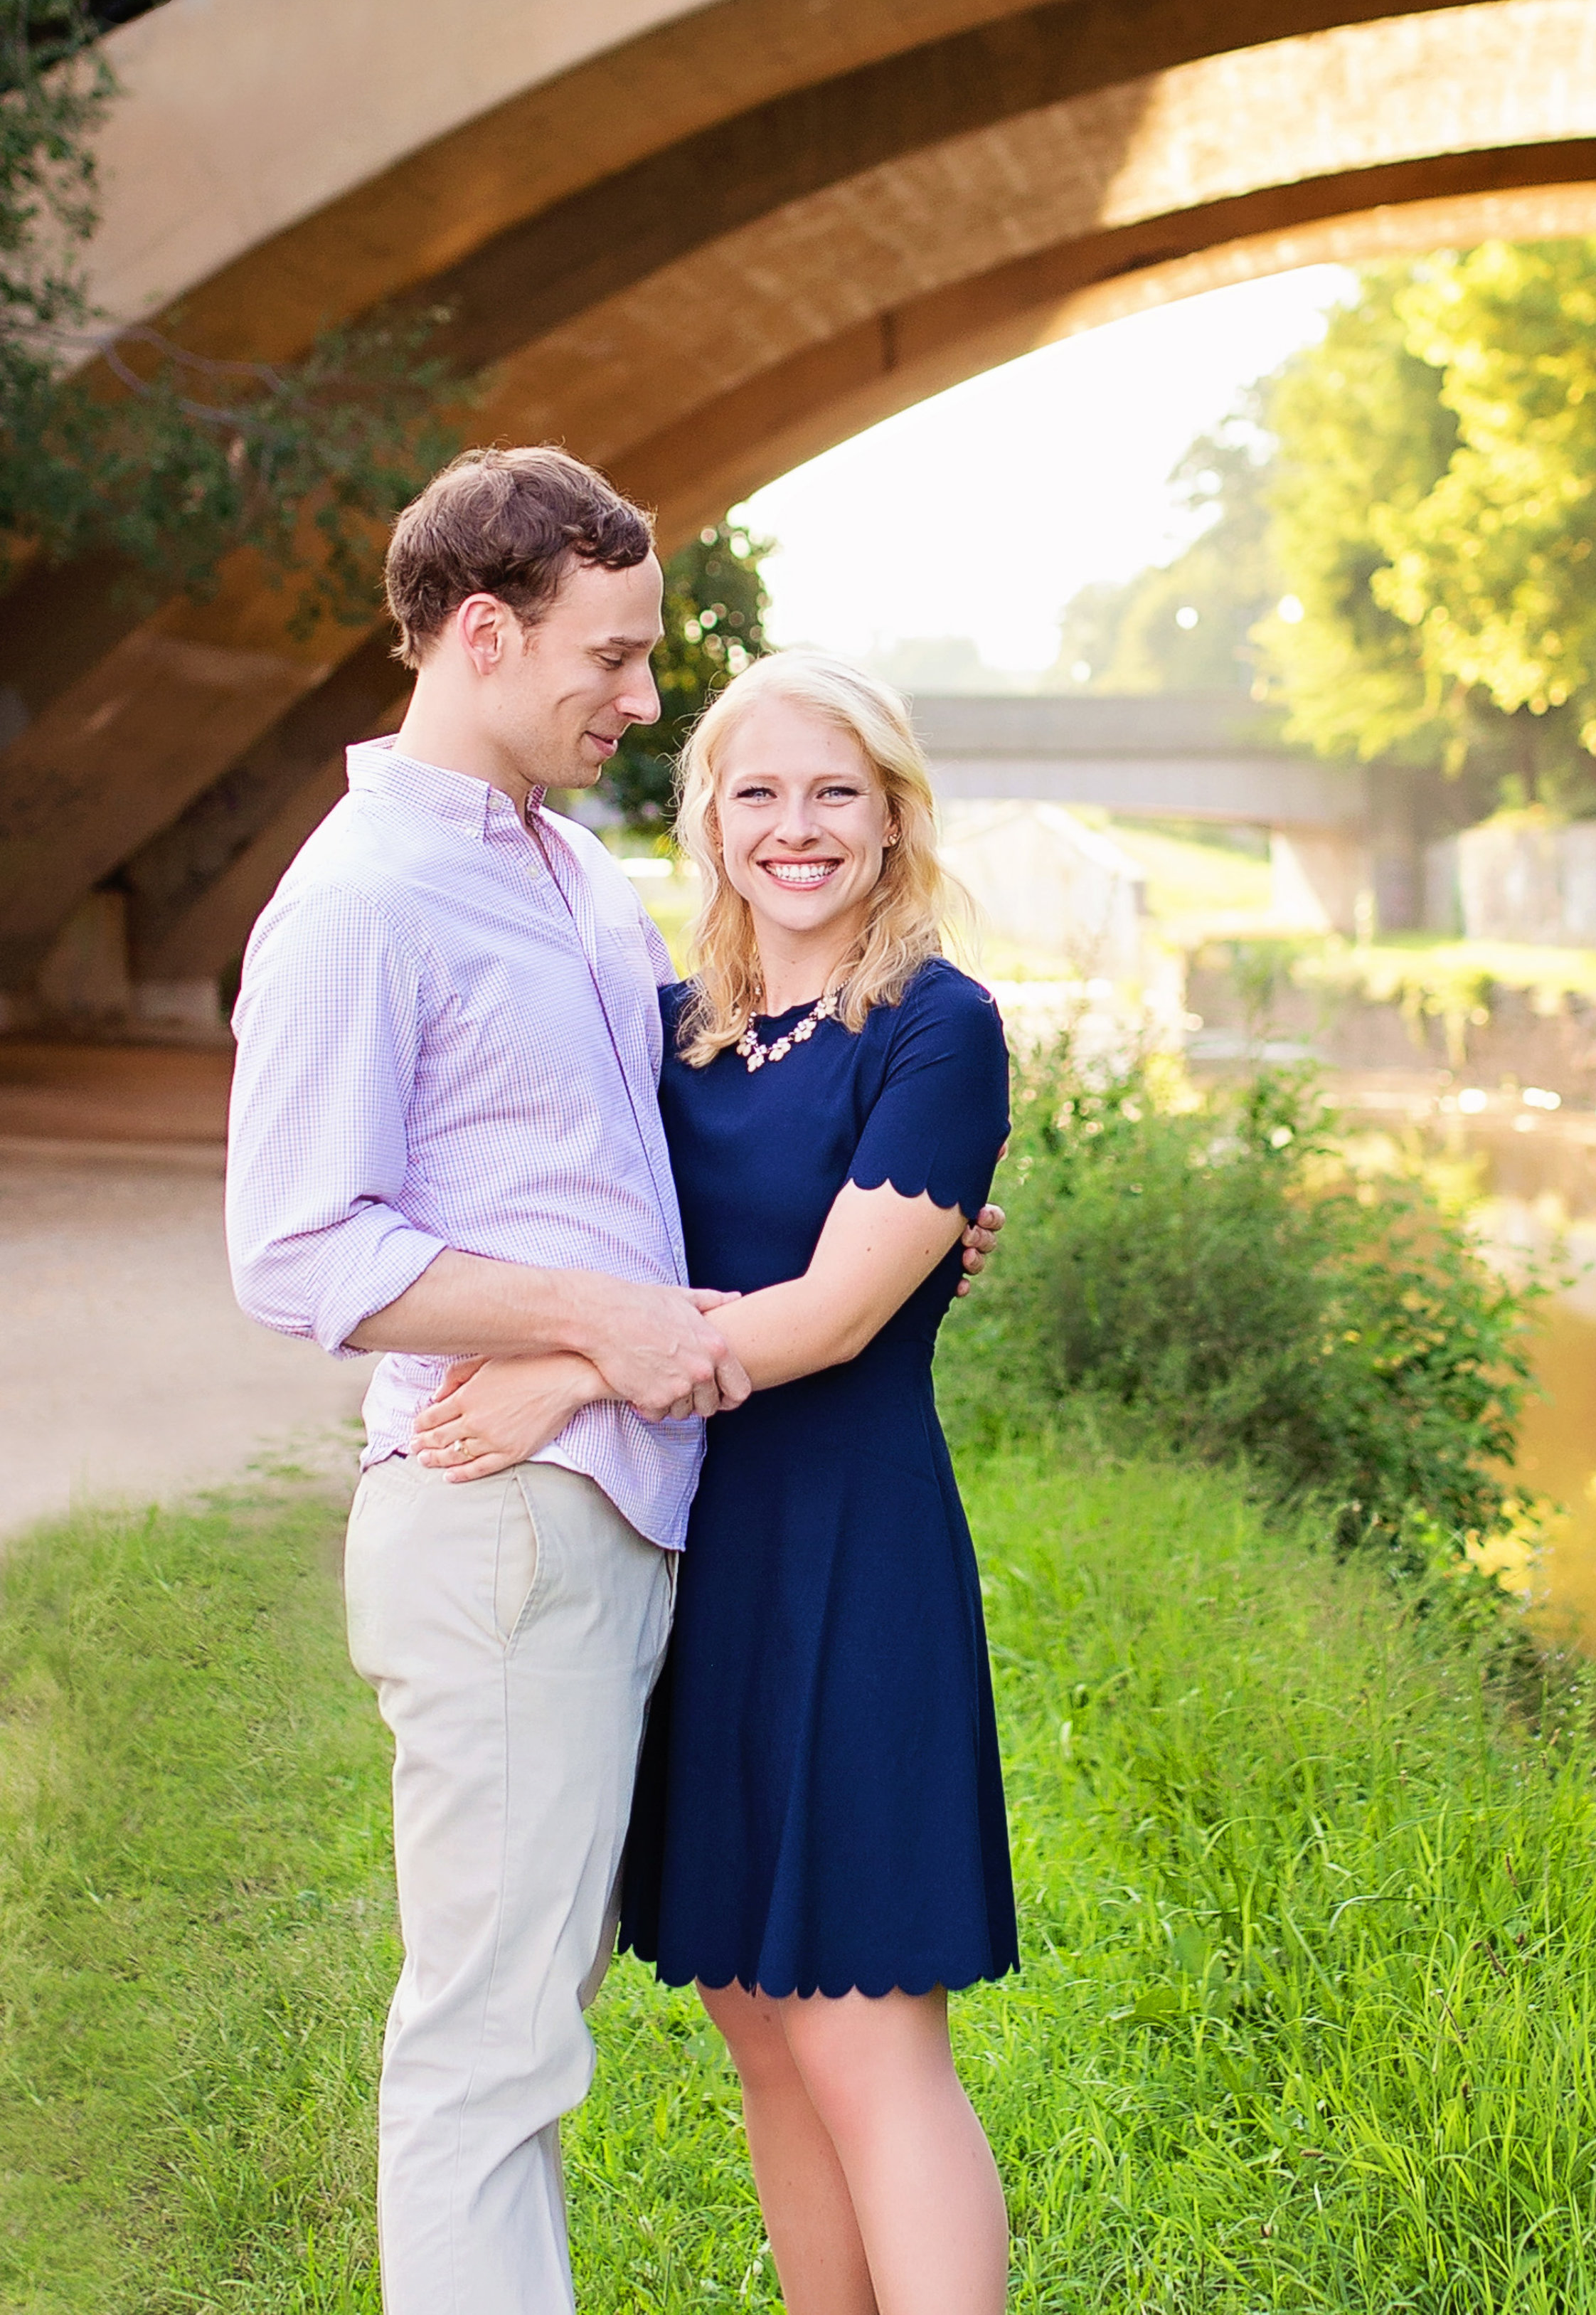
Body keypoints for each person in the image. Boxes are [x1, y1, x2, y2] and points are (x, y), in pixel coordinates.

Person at [223, 448, 1001, 2315]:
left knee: (796, 2025)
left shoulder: (574, 884)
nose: (641, 704)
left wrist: (888, 1240)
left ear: (894, 819)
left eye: (832, 789)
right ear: (484, 636)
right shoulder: (371, 900)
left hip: (721, 1524)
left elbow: (690, 1194)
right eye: (618, 660)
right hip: (531, 1526)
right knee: (528, 2042)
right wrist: (584, 1343)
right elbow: (298, 1245)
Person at [413, 650, 1018, 2315]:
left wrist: (569, 1365)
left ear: (892, 820)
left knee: (861, 2021)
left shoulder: (939, 1026)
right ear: (707, 821)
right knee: (757, 2012)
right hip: (701, 1542)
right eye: (756, 792)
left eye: (835, 792)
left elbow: (825, 1317)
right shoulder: (678, 1031)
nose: (796, 827)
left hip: (851, 1541)